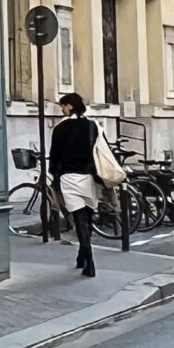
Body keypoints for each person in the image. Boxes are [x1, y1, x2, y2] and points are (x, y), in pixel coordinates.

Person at [48, 91, 107, 277]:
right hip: (90, 177)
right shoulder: (92, 126)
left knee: (79, 218)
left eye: (63, 106)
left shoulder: (60, 129)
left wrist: (54, 177)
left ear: (70, 106)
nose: (62, 110)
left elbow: (54, 156)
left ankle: (89, 261)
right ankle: (83, 257)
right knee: (87, 217)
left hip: (69, 178)